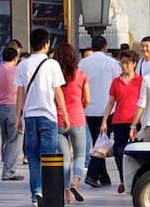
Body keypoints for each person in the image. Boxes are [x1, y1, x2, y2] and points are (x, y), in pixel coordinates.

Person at [15, 29, 66, 204]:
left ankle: (36, 193)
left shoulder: (23, 65)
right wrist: (65, 114)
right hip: (48, 116)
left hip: (30, 117)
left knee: (33, 158)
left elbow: (19, 93)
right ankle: (47, 191)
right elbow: (58, 91)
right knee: (48, 157)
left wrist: (17, 117)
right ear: (47, 43)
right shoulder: (52, 65)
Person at [76, 37, 120, 189]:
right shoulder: (112, 63)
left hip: (88, 108)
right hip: (107, 108)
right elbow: (118, 82)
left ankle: (103, 176)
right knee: (101, 144)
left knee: (98, 142)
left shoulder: (83, 63)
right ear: (105, 47)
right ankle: (93, 175)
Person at [51, 40, 89, 202]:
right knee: (80, 154)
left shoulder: (54, 76)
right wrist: (79, 107)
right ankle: (76, 181)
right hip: (77, 118)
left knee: (65, 159)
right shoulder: (81, 75)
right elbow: (87, 99)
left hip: (58, 120)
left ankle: (66, 192)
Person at [105, 50, 142, 194]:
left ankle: (136, 178)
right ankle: (123, 179)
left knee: (136, 151)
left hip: (136, 121)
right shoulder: (116, 81)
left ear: (134, 64)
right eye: (122, 63)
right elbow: (110, 102)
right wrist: (104, 121)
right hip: (119, 120)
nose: (124, 66)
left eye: (127, 63)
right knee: (119, 151)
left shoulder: (140, 81)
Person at [0, 44, 23, 181]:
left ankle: (6, 162)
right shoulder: (16, 70)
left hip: (0, 107)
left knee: (6, 138)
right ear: (15, 58)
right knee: (15, 139)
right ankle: (9, 171)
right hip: (13, 106)